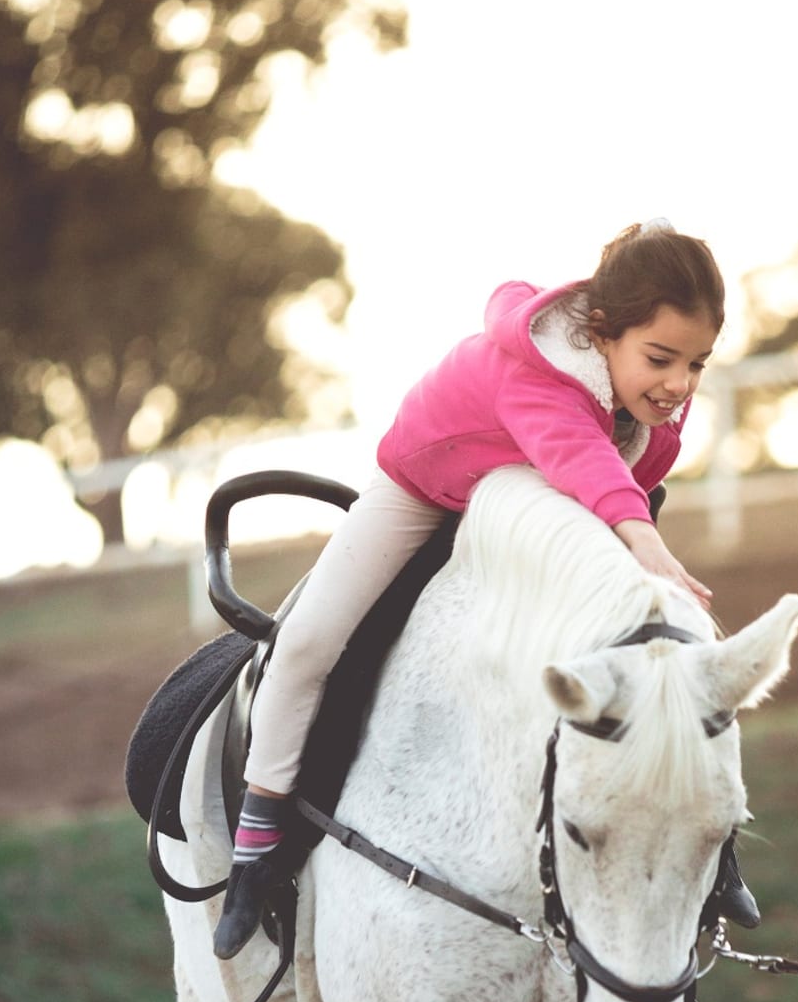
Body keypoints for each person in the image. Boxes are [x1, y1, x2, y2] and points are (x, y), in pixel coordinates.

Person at [214, 219, 743, 959]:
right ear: (600, 334)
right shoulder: (542, 371)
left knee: (652, 646)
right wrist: (643, 540)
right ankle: (258, 840)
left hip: (535, 498)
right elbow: (577, 452)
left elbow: (605, 475)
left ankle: (716, 847)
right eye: (661, 358)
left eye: (697, 363)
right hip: (429, 487)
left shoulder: (650, 396)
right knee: (306, 641)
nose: (680, 384)